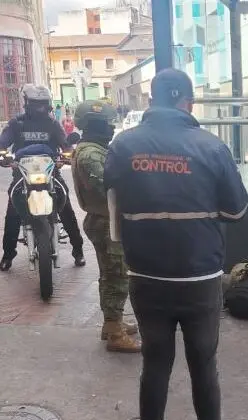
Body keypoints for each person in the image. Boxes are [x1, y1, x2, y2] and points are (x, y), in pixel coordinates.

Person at [105, 69, 247, 420]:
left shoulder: (123, 145)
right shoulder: (212, 147)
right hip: (199, 278)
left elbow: (113, 203)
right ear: (189, 103)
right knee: (203, 363)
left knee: (155, 363)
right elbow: (236, 211)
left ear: (151, 100)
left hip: (145, 275)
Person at [0, 84, 85, 271]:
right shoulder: (16, 123)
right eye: (36, 103)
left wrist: (68, 155)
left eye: (43, 103)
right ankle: (8, 254)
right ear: (26, 103)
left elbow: (65, 145)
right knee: (13, 211)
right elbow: (1, 144)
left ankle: (78, 250)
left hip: (50, 173)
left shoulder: (52, 124)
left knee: (65, 206)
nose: (40, 107)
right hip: (22, 174)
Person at [71, 100, 141, 353]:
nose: (112, 129)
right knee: (116, 276)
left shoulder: (95, 149)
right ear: (92, 125)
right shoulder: (91, 154)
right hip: (105, 222)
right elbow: (108, 188)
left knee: (114, 273)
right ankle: (114, 332)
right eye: (106, 124)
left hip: (107, 219)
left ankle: (113, 322)